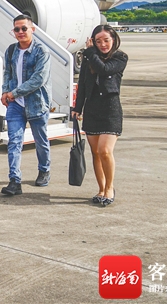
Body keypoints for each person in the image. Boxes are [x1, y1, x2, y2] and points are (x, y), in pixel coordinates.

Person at [72, 25, 128, 207]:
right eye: (98, 41)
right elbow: (82, 85)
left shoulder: (120, 57)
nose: (103, 44)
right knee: (95, 152)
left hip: (110, 110)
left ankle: (110, 188)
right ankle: (101, 189)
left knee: (105, 150)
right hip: (92, 109)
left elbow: (103, 69)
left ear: (114, 40)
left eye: (106, 40)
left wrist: (90, 52)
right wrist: (77, 108)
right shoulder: (89, 58)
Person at [0, 14, 52, 196]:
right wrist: (5, 92)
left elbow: (39, 79)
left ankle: (44, 170)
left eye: (24, 28)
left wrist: (13, 93)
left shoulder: (41, 51)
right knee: (14, 142)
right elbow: (8, 73)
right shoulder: (11, 50)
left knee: (41, 141)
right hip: (16, 104)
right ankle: (15, 180)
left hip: (36, 103)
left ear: (32, 29)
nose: (20, 32)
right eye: (17, 29)